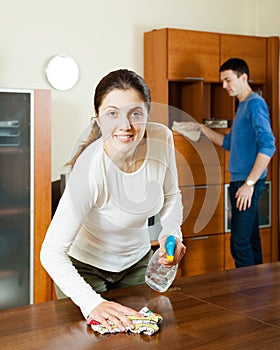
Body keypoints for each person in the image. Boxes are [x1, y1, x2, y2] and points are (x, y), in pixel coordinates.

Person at [40, 69, 186, 331]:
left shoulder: (161, 139)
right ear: (97, 119)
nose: (126, 125)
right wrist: (91, 303)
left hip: (136, 263)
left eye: (136, 113)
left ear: (147, 115)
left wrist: (170, 235)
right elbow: (51, 252)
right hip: (85, 269)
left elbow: (171, 197)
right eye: (112, 113)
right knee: (92, 338)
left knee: (140, 336)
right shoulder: (89, 171)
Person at [197, 58, 275, 268]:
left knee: (239, 243)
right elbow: (228, 143)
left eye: (228, 80)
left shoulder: (255, 104)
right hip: (240, 181)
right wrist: (201, 129)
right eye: (222, 81)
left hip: (246, 184)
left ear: (244, 77)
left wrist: (248, 185)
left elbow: (268, 145)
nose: (224, 86)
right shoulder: (242, 106)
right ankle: (258, 295)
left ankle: (248, 296)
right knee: (250, 240)